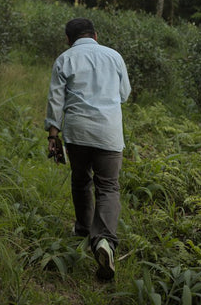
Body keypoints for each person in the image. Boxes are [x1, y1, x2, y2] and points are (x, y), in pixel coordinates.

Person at [44, 17, 131, 280]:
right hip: (108, 133)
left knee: (81, 181)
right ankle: (104, 241)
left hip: (77, 133)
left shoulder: (65, 58)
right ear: (95, 34)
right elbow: (124, 94)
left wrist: (53, 134)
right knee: (108, 187)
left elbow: (55, 98)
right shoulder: (114, 56)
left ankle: (83, 228)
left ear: (68, 39)